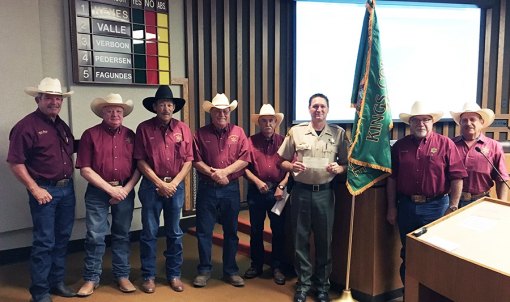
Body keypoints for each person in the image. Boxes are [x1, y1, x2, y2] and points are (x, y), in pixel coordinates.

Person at [7, 77, 76, 302]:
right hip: (45, 192)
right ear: (38, 99)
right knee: (45, 242)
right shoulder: (26, 127)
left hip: (67, 191)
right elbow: (15, 163)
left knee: (62, 239)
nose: (54, 102)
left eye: (58, 98)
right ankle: (39, 292)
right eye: (49, 98)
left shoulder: (61, 125)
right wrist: (34, 189)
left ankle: (56, 283)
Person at [278, 93, 350, 302]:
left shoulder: (338, 134)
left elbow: (346, 164)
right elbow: (281, 160)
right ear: (309, 109)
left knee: (324, 242)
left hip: (325, 194)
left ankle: (322, 287)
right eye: (315, 106)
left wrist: (340, 168)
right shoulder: (297, 132)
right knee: (300, 240)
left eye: (322, 107)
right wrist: (292, 166)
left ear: (328, 110)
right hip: (300, 193)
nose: (318, 110)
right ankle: (303, 285)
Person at [386, 100, 467, 285]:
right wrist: (391, 207)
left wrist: (453, 206)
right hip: (406, 207)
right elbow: (392, 179)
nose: (421, 124)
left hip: (437, 208)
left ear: (432, 122)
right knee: (408, 254)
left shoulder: (446, 144)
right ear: (410, 123)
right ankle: (410, 295)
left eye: (426, 119)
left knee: (435, 255)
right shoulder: (400, 146)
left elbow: (457, 177)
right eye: (416, 120)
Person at [75, 93, 140, 296]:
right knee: (95, 236)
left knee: (122, 235)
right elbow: (84, 168)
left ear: (124, 114)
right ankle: (91, 278)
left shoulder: (131, 135)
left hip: (125, 191)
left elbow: (139, 167)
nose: (115, 114)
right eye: (110, 110)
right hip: (97, 192)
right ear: (102, 113)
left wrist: (125, 190)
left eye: (118, 111)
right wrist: (110, 189)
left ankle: (122, 275)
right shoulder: (90, 134)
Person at [134, 85, 193, 294]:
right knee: (149, 233)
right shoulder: (143, 128)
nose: (166, 108)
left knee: (175, 233)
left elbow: (188, 160)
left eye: (170, 104)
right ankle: (149, 276)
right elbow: (140, 160)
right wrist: (160, 183)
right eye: (162, 104)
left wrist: (174, 183)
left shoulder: (183, 129)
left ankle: (174, 274)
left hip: (175, 186)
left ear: (174, 107)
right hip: (151, 186)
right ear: (155, 106)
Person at [192, 93, 250, 288]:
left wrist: (224, 172)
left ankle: (230, 271)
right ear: (212, 113)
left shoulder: (239, 132)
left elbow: (245, 158)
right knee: (204, 231)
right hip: (207, 189)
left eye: (225, 111)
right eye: (218, 111)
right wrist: (213, 173)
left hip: (230, 189)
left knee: (231, 232)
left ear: (229, 112)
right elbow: (195, 160)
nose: (222, 114)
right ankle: (204, 270)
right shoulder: (200, 133)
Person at [243, 104, 289, 285]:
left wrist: (283, 184)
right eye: (264, 120)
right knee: (256, 230)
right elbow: (244, 167)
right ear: (259, 123)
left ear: (276, 122)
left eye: (271, 120)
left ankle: (277, 267)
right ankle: (256, 265)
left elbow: (291, 166)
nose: (268, 123)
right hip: (257, 191)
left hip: (278, 192)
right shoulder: (250, 141)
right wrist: (257, 181)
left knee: (278, 231)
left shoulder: (284, 141)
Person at [450, 102, 509, 207]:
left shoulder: (494, 146)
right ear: (460, 123)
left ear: (481, 122)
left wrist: (502, 205)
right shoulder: (450, 144)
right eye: (464, 120)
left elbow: (502, 179)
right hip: (453, 202)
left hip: (481, 201)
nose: (468, 123)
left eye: (473, 119)